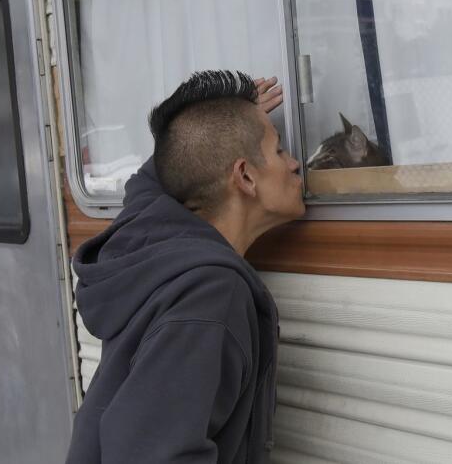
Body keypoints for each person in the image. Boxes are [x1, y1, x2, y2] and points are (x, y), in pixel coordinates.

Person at [66, 70, 303, 463]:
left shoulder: (152, 239)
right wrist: (222, 136)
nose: (295, 164)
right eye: (279, 151)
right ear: (244, 175)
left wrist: (218, 135)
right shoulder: (209, 292)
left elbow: (152, 181)